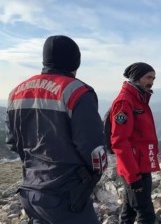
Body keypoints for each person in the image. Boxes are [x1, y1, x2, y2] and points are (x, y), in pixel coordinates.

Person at [5, 35, 107, 223]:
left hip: (31, 190)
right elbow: (94, 149)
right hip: (67, 195)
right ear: (75, 61)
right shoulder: (77, 92)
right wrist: (93, 176)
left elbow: (12, 142)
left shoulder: (16, 92)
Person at [109, 62, 160, 224]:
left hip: (141, 164)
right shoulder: (125, 102)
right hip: (134, 168)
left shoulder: (138, 98)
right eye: (148, 77)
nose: (152, 81)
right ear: (137, 78)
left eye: (154, 78)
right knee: (146, 214)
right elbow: (119, 141)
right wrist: (133, 177)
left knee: (129, 208)